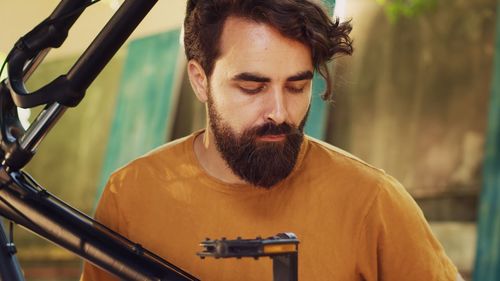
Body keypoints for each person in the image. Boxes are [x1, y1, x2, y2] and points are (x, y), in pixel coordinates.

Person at [82, 0, 463, 280]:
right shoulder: (131, 196)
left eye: (297, 86)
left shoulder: (373, 202)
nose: (279, 112)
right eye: (252, 87)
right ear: (200, 80)